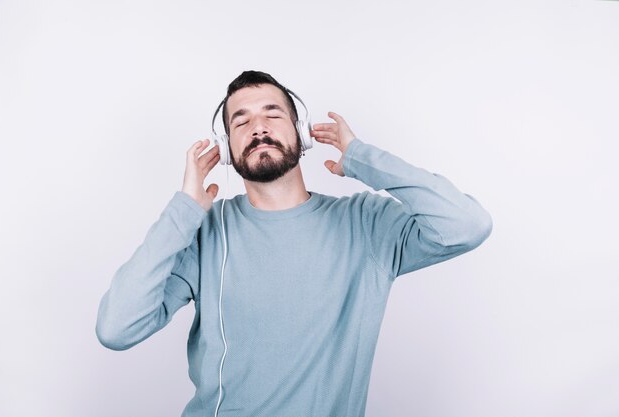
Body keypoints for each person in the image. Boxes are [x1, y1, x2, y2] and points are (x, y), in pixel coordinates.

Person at [96, 70, 493, 417]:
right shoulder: (204, 231)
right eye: (241, 121)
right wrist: (184, 209)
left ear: (301, 133)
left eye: (272, 113)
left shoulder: (366, 224)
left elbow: (466, 224)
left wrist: (360, 157)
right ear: (228, 150)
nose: (258, 127)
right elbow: (117, 328)